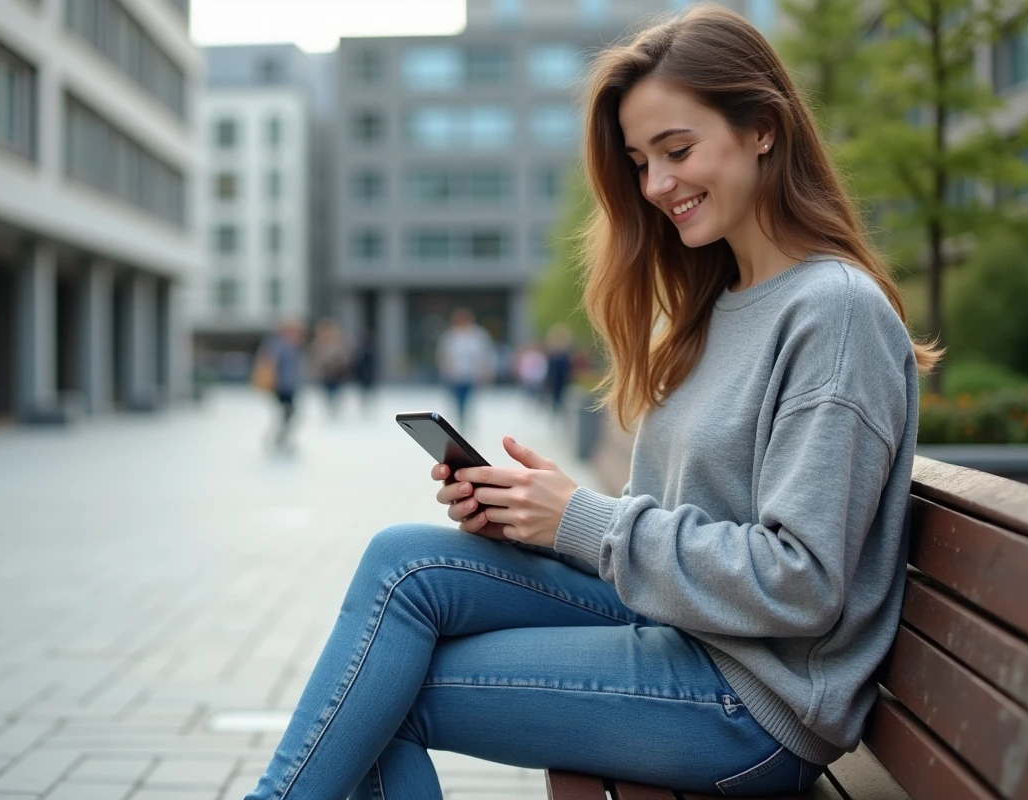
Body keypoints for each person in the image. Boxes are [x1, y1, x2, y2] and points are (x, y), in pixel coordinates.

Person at [243, 6, 938, 798]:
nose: (657, 186)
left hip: (754, 701)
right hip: (688, 633)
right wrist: (536, 517)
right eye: (642, 162)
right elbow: (687, 526)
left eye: (677, 151)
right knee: (402, 564)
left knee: (376, 692)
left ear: (762, 129)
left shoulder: (834, 312)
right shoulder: (716, 304)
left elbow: (802, 581)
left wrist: (582, 519)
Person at [435, 307, 496, 430]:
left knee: (468, 400)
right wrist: (446, 369)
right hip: (455, 376)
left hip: (472, 375)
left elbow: (486, 355)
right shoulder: (450, 336)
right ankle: (460, 420)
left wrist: (486, 372)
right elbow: (443, 355)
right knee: (457, 400)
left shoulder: (478, 335)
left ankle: (465, 420)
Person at [258, 319, 305, 452]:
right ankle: (279, 439)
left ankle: (280, 439)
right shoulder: (278, 346)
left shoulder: (292, 346)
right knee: (288, 413)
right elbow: (271, 365)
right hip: (280, 387)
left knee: (288, 415)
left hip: (289, 386)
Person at [309, 318, 352, 418]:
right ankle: (331, 409)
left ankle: (334, 409)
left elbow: (345, 357)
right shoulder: (318, 344)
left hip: (336, 372)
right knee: (328, 392)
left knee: (335, 391)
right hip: (325, 373)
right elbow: (315, 359)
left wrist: (338, 363)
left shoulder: (338, 343)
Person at [543, 323, 574, 417]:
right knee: (556, 401)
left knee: (561, 401)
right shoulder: (553, 357)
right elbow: (550, 371)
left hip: (563, 382)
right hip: (555, 383)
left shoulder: (565, 356)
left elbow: (569, 370)